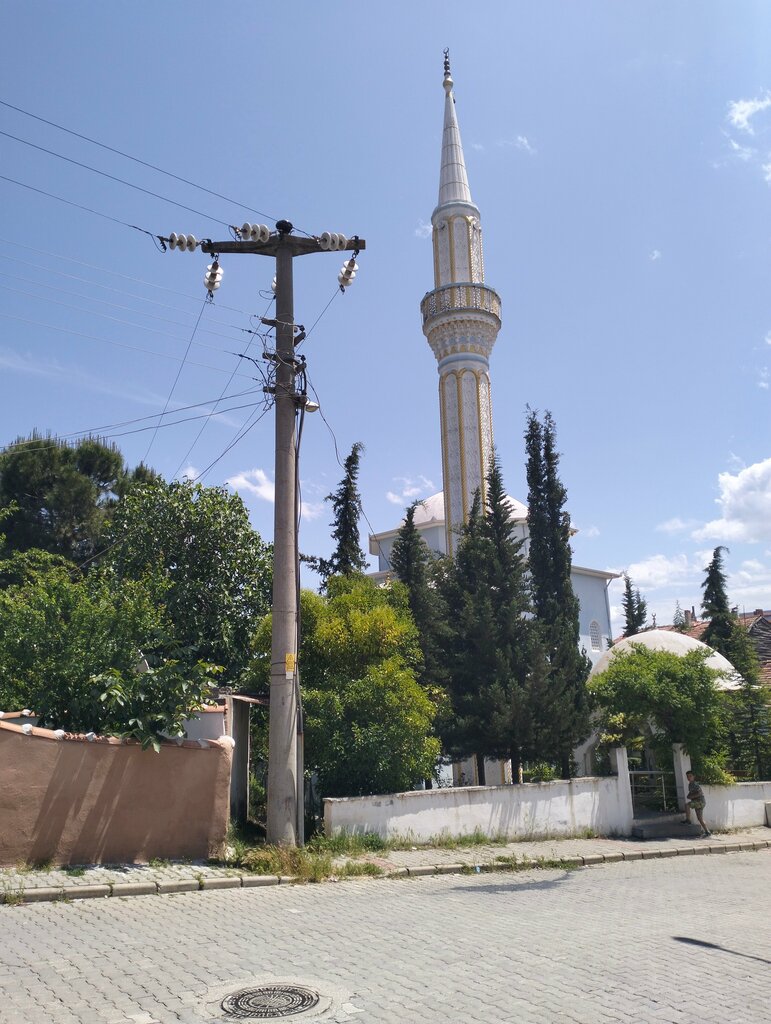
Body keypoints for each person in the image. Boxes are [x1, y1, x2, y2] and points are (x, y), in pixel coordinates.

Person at [683, 770, 711, 837]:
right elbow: (691, 793)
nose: (688, 777)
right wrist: (689, 796)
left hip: (700, 802)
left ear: (693, 776)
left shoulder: (694, 784)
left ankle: (688, 820)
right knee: (700, 819)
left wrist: (691, 796)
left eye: (690, 776)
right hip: (699, 802)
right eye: (687, 776)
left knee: (687, 805)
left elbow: (700, 793)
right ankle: (707, 832)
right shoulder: (690, 784)